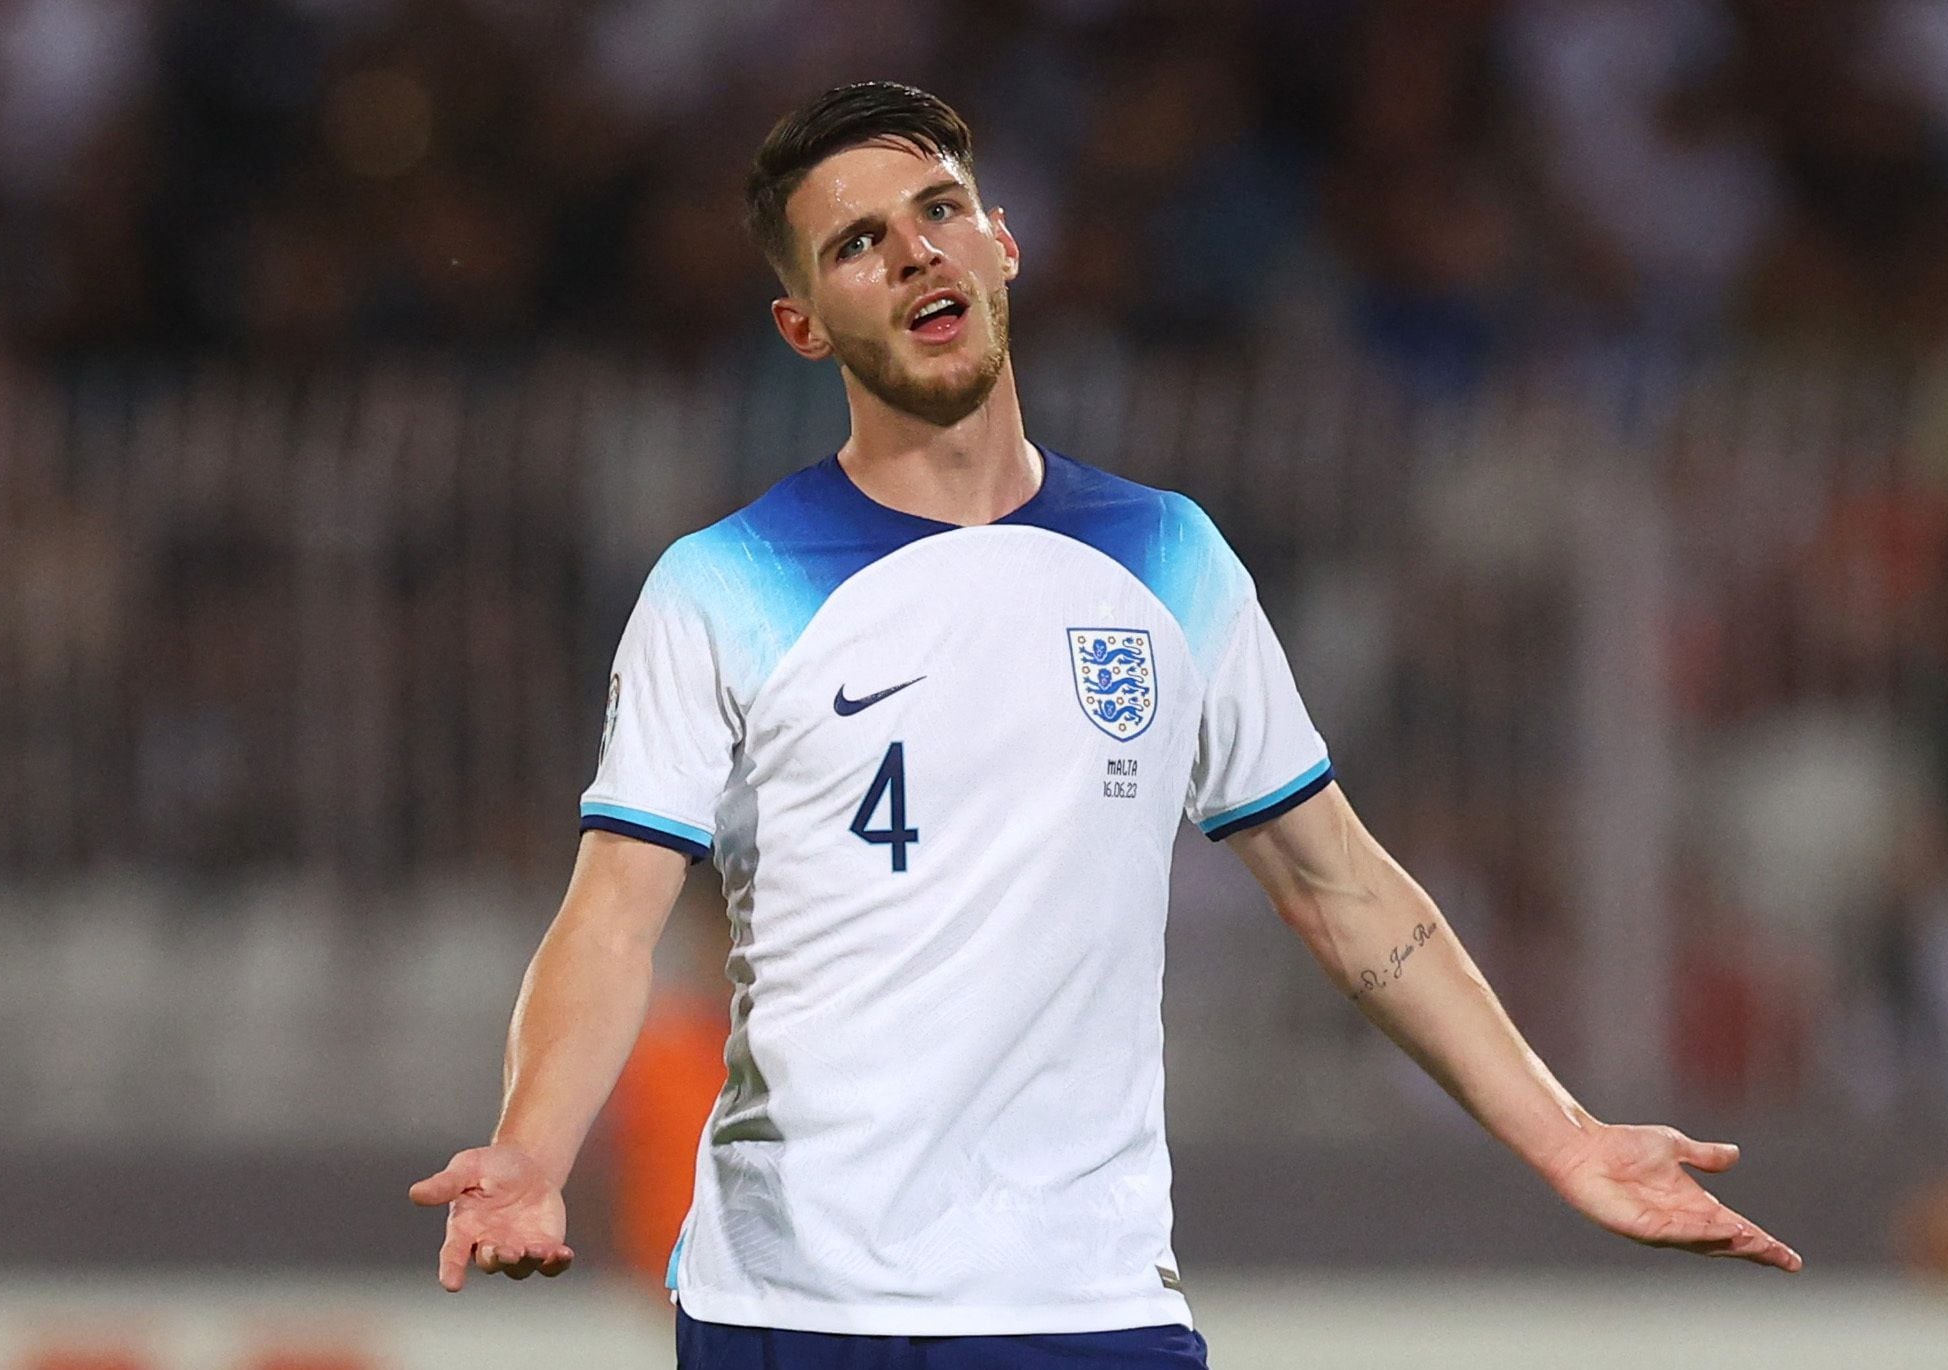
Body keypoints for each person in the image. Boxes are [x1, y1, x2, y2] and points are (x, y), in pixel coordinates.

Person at [410, 81, 1801, 1368]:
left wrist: (1561, 1138)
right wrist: (531, 1150)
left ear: (1002, 245)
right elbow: (608, 919)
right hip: (795, 1308)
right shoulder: (720, 585)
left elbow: (1338, 884)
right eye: (856, 244)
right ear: (803, 325)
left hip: (1090, 1307)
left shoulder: (1166, 557)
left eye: (940, 210)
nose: (913, 252)